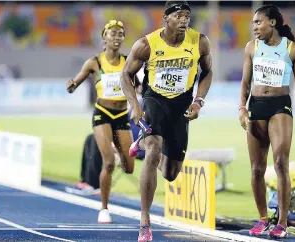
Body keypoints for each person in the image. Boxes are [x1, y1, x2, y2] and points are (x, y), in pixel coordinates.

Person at [121, 1, 213, 241]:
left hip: (181, 104)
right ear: (166, 18)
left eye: (187, 16)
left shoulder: (199, 41)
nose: (184, 20)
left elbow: (207, 72)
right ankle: (145, 221)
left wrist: (198, 101)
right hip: (154, 100)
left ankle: (143, 141)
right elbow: (126, 74)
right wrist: (135, 106)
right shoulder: (146, 44)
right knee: (153, 151)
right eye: (179, 15)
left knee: (171, 174)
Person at [238, 4, 295, 239]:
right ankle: (262, 219)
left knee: (280, 162)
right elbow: (245, 83)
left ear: (272, 22)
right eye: (253, 24)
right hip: (256, 107)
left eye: (258, 22)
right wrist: (242, 108)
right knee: (257, 168)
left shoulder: (293, 50)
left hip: (280, 106)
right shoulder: (252, 47)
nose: (255, 28)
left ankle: (282, 222)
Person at [66, 20, 138, 224]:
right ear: (104, 38)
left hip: (121, 115)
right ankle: (104, 209)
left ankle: (118, 151)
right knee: (108, 162)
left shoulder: (128, 61)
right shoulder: (94, 63)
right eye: (113, 33)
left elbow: (138, 86)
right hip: (102, 114)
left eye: (121, 34)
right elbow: (76, 82)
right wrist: (71, 85)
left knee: (130, 167)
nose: (117, 37)